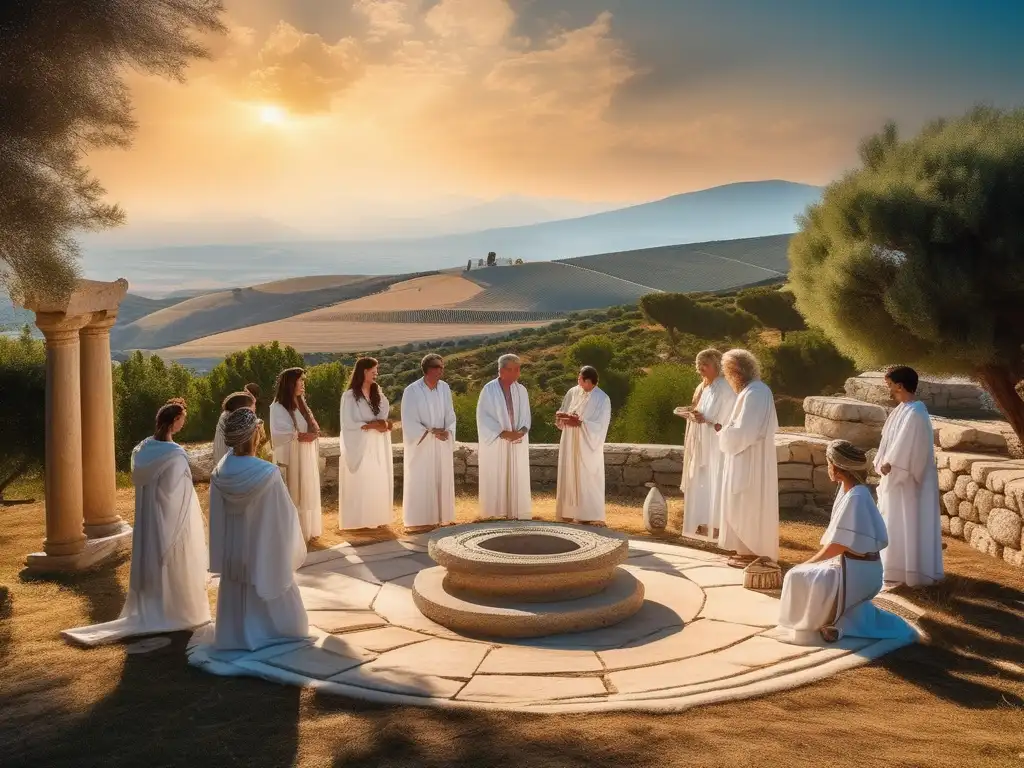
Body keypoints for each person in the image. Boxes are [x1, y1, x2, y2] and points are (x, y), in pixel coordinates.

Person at [62, 399, 210, 646]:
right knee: (171, 559)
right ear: (175, 422)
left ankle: (156, 606)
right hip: (171, 518)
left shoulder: (143, 450)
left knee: (153, 559)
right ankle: (175, 610)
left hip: (149, 519)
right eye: (183, 417)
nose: (185, 421)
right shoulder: (174, 455)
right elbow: (179, 491)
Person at [775, 440, 917, 645]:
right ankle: (834, 623)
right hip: (855, 566)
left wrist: (807, 563)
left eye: (829, 463)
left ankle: (819, 623)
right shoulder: (850, 491)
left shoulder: (856, 498)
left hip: (858, 572)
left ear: (838, 469)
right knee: (802, 574)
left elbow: (838, 545)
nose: (827, 467)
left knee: (796, 575)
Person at [207, 408, 309, 652]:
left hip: (234, 552)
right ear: (255, 435)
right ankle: (271, 630)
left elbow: (216, 519)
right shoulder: (267, 473)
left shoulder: (220, 472)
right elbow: (283, 516)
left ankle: (236, 633)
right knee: (265, 575)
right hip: (260, 548)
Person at [874, 366, 943, 587]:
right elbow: (889, 442)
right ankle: (893, 567)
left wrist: (891, 465)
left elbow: (909, 447)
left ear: (900, 385)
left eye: (890, 385)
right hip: (895, 477)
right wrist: (882, 462)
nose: (889, 389)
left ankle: (911, 572)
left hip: (909, 481)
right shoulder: (901, 410)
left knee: (908, 521)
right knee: (894, 522)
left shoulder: (916, 412)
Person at [716, 349, 780, 568]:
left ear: (736, 371)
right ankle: (745, 550)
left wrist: (723, 432)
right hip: (745, 455)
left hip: (751, 459)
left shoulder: (756, 393)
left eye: (727, 371)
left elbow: (746, 431)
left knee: (749, 503)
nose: (726, 376)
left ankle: (754, 552)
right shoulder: (751, 391)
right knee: (742, 503)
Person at [679, 348, 737, 539]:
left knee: (715, 482)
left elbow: (727, 416)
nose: (701, 368)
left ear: (716, 366)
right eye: (699, 365)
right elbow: (701, 412)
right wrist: (693, 414)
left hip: (716, 445)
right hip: (702, 442)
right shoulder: (706, 388)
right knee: (702, 482)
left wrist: (707, 419)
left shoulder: (725, 388)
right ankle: (702, 522)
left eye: (706, 364)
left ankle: (716, 525)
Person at [401, 354, 456, 530]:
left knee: (442, 477)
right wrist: (430, 432)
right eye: (437, 367)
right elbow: (408, 419)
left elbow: (450, 413)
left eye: (442, 367)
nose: (441, 370)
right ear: (427, 369)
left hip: (441, 442)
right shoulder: (412, 390)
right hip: (422, 444)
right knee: (421, 479)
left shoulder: (445, 388)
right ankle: (420, 521)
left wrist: (447, 431)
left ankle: (442, 517)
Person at [339, 357, 394, 530]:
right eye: (374, 370)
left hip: (378, 443)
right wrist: (372, 425)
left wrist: (383, 424)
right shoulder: (349, 396)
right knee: (362, 479)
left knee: (376, 478)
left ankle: (376, 518)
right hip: (360, 444)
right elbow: (348, 423)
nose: (376, 373)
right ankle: (359, 521)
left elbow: (384, 414)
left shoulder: (379, 392)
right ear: (364, 371)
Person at [476, 353, 532, 520]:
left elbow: (526, 416)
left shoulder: (521, 390)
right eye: (512, 369)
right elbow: (483, 416)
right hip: (497, 441)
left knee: (516, 476)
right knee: (496, 474)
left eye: (518, 369)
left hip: (517, 440)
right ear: (501, 370)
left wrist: (520, 432)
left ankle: (517, 513)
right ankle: (494, 513)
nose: (516, 373)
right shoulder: (489, 389)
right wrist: (502, 433)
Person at [270, 368, 322, 543]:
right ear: (291, 383)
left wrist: (312, 433)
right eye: (300, 380)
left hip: (304, 454)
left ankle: (307, 529)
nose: (303, 384)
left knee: (305, 491)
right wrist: (298, 436)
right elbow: (279, 432)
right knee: (294, 491)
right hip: (291, 455)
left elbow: (308, 425)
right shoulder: (277, 407)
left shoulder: (301, 404)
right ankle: (293, 534)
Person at [555, 365, 612, 524]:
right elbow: (564, 409)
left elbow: (601, 425)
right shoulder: (573, 392)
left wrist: (580, 423)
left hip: (587, 445)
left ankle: (588, 515)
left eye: (580, 378)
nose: (577, 380)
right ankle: (568, 512)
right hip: (570, 440)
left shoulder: (602, 398)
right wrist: (561, 416)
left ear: (588, 381)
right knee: (569, 473)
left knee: (586, 478)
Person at [213, 390, 256, 464]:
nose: (254, 410)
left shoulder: (226, 416)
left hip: (222, 465)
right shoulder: (233, 423)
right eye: (253, 407)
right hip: (230, 465)